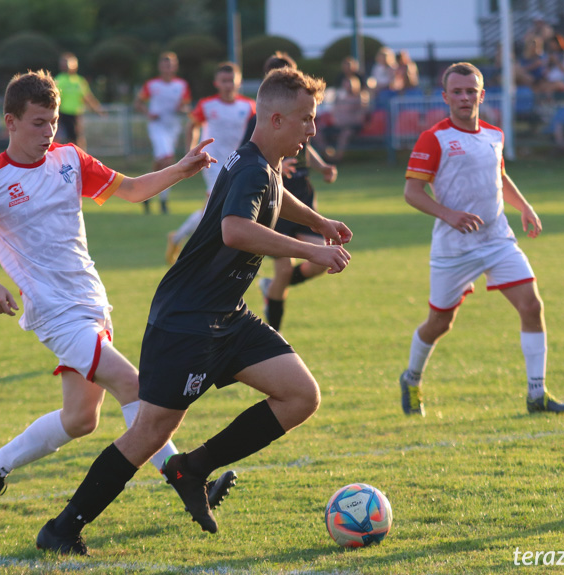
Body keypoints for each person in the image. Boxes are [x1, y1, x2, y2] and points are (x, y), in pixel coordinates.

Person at [36, 66, 352, 556]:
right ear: (273, 120)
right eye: (305, 119)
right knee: (150, 433)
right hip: (186, 321)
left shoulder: (260, 163)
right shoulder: (249, 166)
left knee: (300, 395)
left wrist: (318, 221)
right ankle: (62, 527)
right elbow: (234, 229)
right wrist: (311, 250)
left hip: (228, 314)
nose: (312, 129)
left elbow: (275, 194)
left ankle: (192, 469)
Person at [0, 70, 236, 522]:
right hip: (54, 312)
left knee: (80, 419)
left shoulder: (70, 159)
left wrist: (181, 168)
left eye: (53, 121)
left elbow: (131, 190)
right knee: (135, 385)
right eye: (37, 122)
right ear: (10, 122)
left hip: (92, 301)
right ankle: (186, 478)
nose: (48, 131)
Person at [399, 62, 564, 417]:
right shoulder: (434, 138)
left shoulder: (494, 134)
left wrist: (524, 206)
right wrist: (449, 215)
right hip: (454, 248)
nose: (465, 97)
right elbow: (412, 192)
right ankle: (412, 376)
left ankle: (537, 395)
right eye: (458, 92)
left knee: (532, 306)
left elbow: (499, 176)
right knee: (440, 324)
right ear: (446, 96)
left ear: (482, 94)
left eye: (471, 91)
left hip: (497, 240)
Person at [243, 52, 338, 331]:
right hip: (275, 196)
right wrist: (274, 169)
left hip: (302, 194)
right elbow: (249, 152)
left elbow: (306, 147)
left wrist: (322, 168)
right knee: (284, 267)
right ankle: (275, 334)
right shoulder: (261, 120)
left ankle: (272, 287)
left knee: (320, 259)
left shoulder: (299, 114)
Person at [165, 62, 254, 264]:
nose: (228, 85)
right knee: (216, 208)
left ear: (238, 82)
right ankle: (202, 252)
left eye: (232, 80)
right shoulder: (207, 105)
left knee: (214, 209)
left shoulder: (248, 106)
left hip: (238, 163)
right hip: (212, 163)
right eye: (224, 81)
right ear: (216, 83)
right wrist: (191, 152)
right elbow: (192, 125)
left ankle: (178, 238)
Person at [135, 51, 191, 215]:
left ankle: (146, 192)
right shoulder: (152, 85)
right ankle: (164, 200)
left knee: (161, 161)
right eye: (165, 64)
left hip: (173, 127)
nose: (168, 67)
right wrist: (148, 112)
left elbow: (186, 106)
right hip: (157, 126)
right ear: (160, 66)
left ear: (175, 66)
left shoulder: (181, 85)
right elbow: (138, 103)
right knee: (168, 159)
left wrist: (183, 109)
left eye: (171, 64)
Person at [54, 52, 104, 150]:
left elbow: (87, 97)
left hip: (76, 114)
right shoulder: (59, 80)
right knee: (65, 139)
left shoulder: (79, 81)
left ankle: (81, 158)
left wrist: (97, 109)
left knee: (78, 138)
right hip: (63, 114)